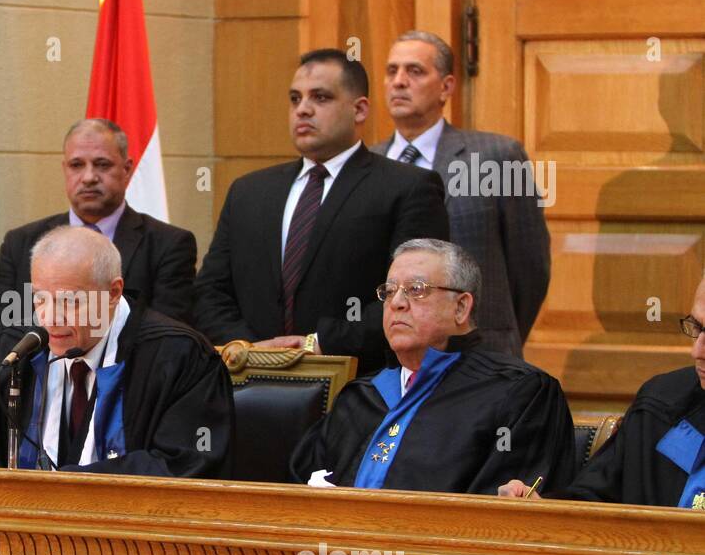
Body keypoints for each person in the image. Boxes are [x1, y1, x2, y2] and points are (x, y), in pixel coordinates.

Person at [195, 48, 449, 374]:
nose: (303, 110)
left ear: (359, 110)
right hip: (249, 380)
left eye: (320, 98)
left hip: (361, 387)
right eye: (294, 99)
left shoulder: (407, 187)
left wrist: (314, 344)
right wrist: (250, 349)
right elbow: (210, 292)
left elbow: (416, 295)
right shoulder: (248, 192)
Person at [0, 226, 232, 477]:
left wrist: (63, 488)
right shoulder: (18, 351)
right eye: (41, 299)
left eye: (69, 301)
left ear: (113, 293)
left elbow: (182, 464)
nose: (50, 318)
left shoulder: (179, 356)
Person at [290, 239, 575, 494]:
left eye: (416, 290)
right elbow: (297, 495)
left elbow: (506, 517)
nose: (397, 303)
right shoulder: (359, 397)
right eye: (389, 292)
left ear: (461, 307)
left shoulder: (520, 393)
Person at [373, 31, 550, 356]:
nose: (398, 82)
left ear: (447, 86)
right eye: (391, 71)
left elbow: (531, 267)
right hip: (387, 360)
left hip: (482, 351)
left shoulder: (497, 155)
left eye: (414, 71)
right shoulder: (366, 167)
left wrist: (501, 330)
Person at [0, 118, 197, 355]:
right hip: (41, 384)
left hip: (126, 384)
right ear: (65, 169)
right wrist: (51, 370)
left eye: (102, 164)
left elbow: (170, 334)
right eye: (77, 165)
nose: (89, 177)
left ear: (127, 169)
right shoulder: (21, 243)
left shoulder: (168, 244)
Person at [500, 272, 705, 508]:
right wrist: (540, 509)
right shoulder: (660, 404)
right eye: (697, 328)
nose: (697, 352)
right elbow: (594, 503)